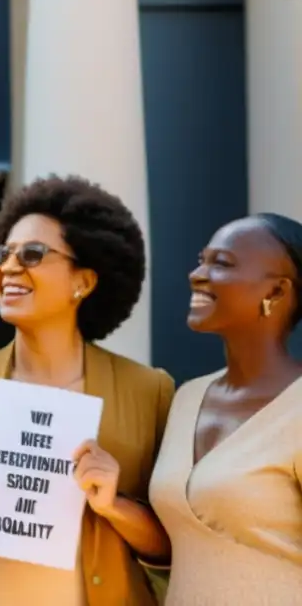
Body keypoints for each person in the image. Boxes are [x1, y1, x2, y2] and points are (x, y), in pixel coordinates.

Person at [0, 175, 174, 605]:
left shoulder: (148, 390)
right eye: (3, 254)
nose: (9, 268)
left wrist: (116, 505)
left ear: (85, 281)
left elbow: (174, 547)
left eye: (34, 254)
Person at [149, 213, 302, 602]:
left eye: (221, 263)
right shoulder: (187, 398)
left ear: (277, 292)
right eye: (202, 259)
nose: (197, 274)